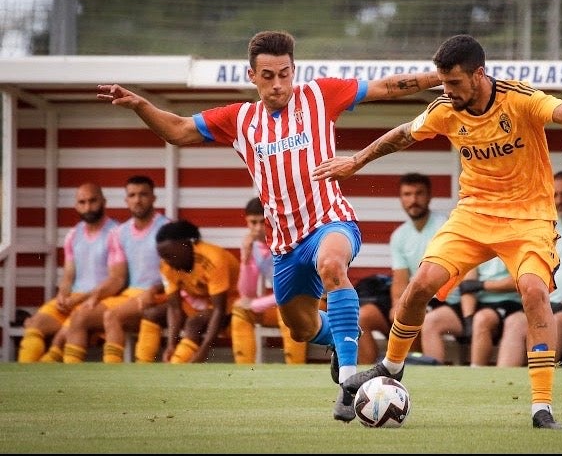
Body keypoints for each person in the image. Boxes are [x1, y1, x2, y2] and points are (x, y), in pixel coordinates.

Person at [96, 30, 441, 421]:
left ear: (294, 70)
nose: (278, 84)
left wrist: (439, 77)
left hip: (331, 221)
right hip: (285, 244)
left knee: (332, 266)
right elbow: (177, 130)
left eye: (284, 73)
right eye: (268, 76)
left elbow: (384, 87)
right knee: (299, 327)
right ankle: (336, 340)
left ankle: (349, 384)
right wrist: (142, 106)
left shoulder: (320, 95)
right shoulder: (240, 119)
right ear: (252, 76)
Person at [312, 34, 562, 430]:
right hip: (474, 213)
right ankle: (392, 365)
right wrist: (355, 162)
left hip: (528, 217)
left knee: (532, 289)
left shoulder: (520, 98)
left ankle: (541, 407)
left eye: (455, 82)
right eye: (443, 82)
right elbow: (404, 134)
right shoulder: (446, 107)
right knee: (422, 282)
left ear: (479, 74)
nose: (447, 90)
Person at [62, 175, 170, 363]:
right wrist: (97, 295)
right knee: (80, 316)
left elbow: (176, 275)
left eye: (143, 194)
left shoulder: (167, 228)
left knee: (112, 316)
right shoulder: (120, 233)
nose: (138, 199)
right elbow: (118, 278)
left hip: (159, 295)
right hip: (130, 295)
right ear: (126, 200)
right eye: (132, 195)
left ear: (153, 198)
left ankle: (112, 373)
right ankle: (72, 378)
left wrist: (154, 290)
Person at [500, 170, 562, 365]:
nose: (559, 200)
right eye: (554, 195)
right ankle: (503, 383)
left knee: (554, 324)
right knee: (514, 322)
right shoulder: (548, 226)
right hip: (545, 303)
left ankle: (537, 384)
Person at [17, 183, 119, 362]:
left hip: (101, 299)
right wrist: (63, 295)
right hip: (74, 299)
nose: (88, 207)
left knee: (71, 327)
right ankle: (24, 381)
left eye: (93, 201)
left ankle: (47, 371)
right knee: (34, 325)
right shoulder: (73, 234)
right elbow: (68, 275)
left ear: (104, 201)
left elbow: (115, 280)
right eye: (82, 202)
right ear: (76, 205)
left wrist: (79, 299)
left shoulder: (116, 232)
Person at [358, 172, 449, 364]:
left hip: (440, 299)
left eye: (419, 194)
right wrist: (396, 304)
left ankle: (415, 369)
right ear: (400, 199)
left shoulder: (445, 227)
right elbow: (399, 279)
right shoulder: (399, 235)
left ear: (429, 196)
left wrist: (407, 306)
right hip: (411, 297)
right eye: (407, 194)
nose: (413, 200)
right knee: (362, 317)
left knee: (410, 314)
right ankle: (368, 377)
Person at [149, 220, 240, 363]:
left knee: (194, 323)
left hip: (232, 303)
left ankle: (180, 366)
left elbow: (219, 310)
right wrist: (171, 344)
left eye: (170, 255)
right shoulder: (166, 266)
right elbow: (174, 308)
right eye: (163, 257)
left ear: (186, 244)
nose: (167, 262)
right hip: (200, 304)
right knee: (152, 314)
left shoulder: (213, 259)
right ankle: (143, 366)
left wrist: (203, 351)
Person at [232, 197, 306, 364]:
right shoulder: (256, 247)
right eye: (253, 222)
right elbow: (246, 293)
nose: (258, 229)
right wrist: (245, 258)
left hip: (313, 303)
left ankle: (295, 371)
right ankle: (243, 375)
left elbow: (293, 291)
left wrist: (254, 305)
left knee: (287, 310)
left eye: (262, 222)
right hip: (284, 303)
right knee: (240, 313)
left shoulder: (289, 242)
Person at [455, 257, 523, 367]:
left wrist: (482, 285)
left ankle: (494, 375)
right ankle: (476, 371)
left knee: (486, 319)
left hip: (513, 303)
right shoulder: (476, 247)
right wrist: (468, 319)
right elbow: (467, 286)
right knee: (480, 319)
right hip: (483, 305)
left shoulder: (516, 245)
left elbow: (519, 281)